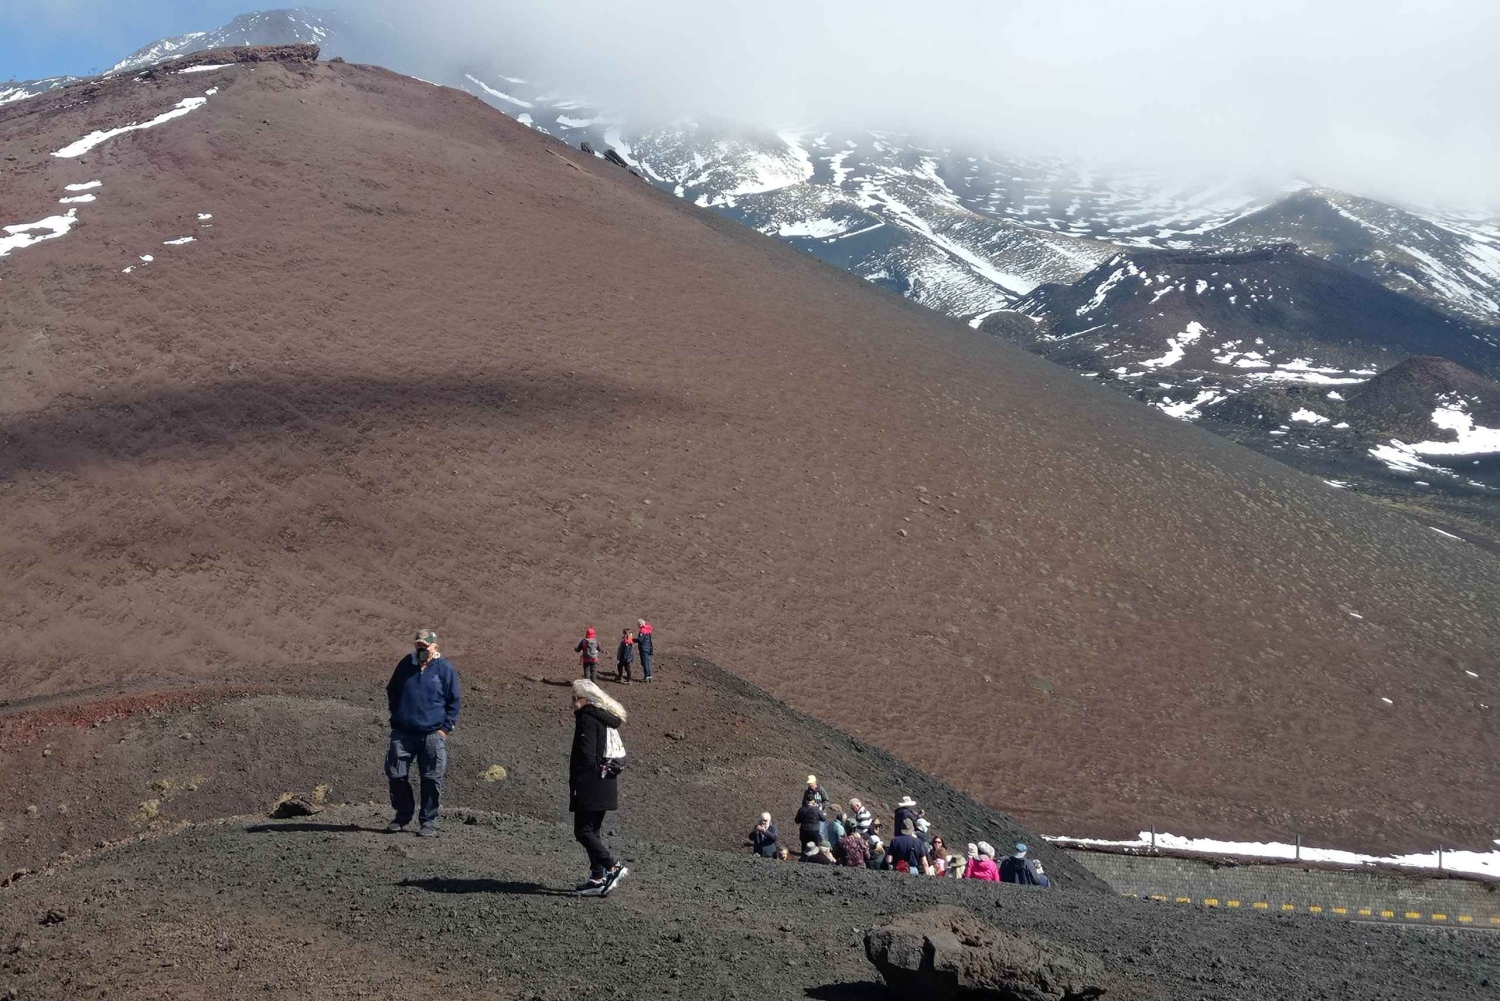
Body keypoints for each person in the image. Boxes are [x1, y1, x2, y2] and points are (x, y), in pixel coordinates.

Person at [385, 628, 460, 838]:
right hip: (403, 732)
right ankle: (403, 815)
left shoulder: (444, 669)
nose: (421, 649)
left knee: (431, 778)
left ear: (434, 646)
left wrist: (445, 729)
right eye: (418, 645)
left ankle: (428, 821)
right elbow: (392, 690)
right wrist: (397, 716)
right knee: (396, 774)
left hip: (432, 734)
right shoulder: (405, 664)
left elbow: (453, 701)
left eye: (425, 646)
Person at [568, 679, 629, 897]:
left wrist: (579, 782)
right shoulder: (605, 718)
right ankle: (597, 877)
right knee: (593, 830)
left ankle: (612, 867)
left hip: (591, 783)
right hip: (606, 782)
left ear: (586, 699)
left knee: (583, 831)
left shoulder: (587, 718)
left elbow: (586, 755)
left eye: (575, 698)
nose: (572, 703)